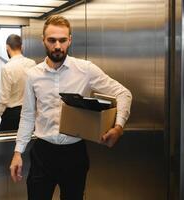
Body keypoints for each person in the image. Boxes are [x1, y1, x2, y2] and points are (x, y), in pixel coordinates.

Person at [9, 15, 132, 200]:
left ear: (70, 40)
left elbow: (123, 93)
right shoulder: (32, 75)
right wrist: (18, 153)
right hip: (43, 153)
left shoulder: (86, 69)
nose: (57, 46)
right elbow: (27, 115)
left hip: (74, 154)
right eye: (52, 40)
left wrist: (119, 127)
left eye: (62, 40)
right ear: (43, 40)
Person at [0, 34, 36, 132]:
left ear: (7, 47)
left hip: (12, 115)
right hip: (29, 113)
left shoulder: (7, 68)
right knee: (27, 143)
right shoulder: (32, 64)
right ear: (21, 47)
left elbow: (4, 98)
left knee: (4, 145)